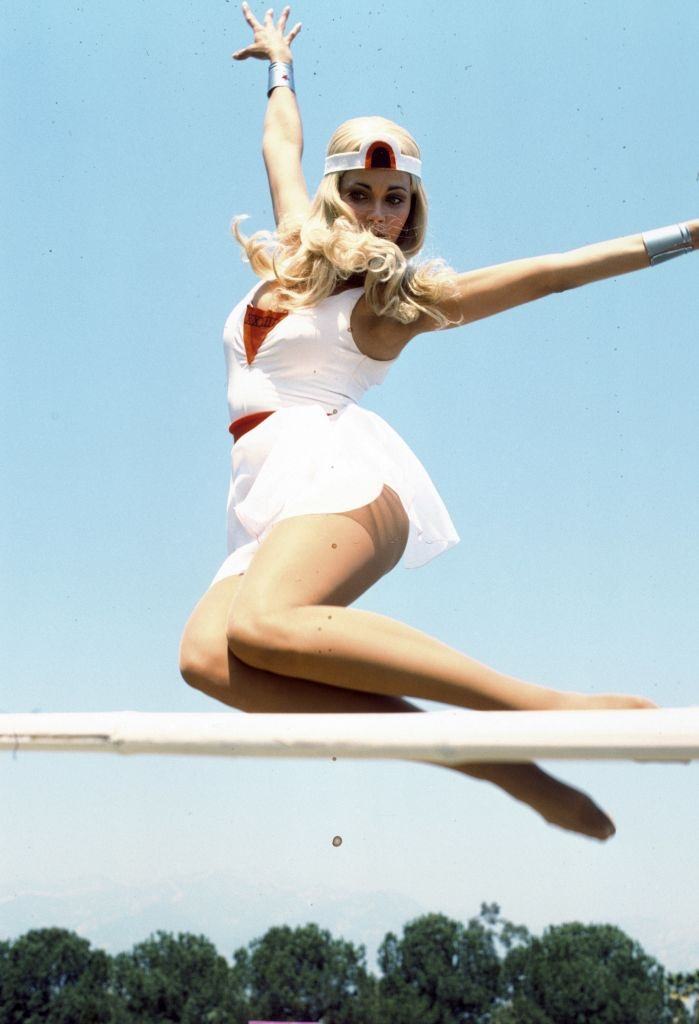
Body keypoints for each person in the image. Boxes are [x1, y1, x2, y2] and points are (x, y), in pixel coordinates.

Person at [179, 3, 697, 841]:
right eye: (360, 193)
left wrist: (687, 235)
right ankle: (485, 758)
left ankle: (546, 710)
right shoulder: (287, 248)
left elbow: (552, 274)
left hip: (336, 477)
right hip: (262, 493)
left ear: (410, 212)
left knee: (262, 625)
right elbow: (281, 143)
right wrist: (280, 64)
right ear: (333, 196)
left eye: (394, 199)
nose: (377, 213)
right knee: (208, 659)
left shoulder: (397, 304)